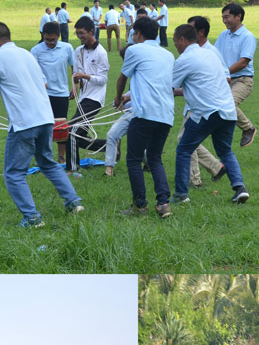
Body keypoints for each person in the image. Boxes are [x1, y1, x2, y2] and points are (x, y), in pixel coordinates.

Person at [0, 21, 83, 227]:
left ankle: (32, 218)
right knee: (47, 162)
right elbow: (44, 83)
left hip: (24, 122)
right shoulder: (27, 54)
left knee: (14, 173)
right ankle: (73, 202)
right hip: (45, 118)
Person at [171, 23, 249, 205]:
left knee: (184, 149)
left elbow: (168, 86)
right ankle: (240, 188)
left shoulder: (184, 60)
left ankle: (181, 195)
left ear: (182, 40)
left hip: (206, 113)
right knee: (225, 151)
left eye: (175, 41)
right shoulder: (211, 54)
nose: (175, 45)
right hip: (228, 111)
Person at [114, 16, 175, 219]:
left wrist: (118, 98)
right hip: (165, 114)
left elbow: (123, 78)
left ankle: (140, 205)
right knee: (155, 158)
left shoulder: (134, 50)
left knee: (133, 159)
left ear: (138, 33)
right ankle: (164, 203)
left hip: (144, 113)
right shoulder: (168, 55)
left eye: (133, 33)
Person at [183, 15, 229, 188]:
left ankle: (194, 180)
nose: (186, 33)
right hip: (193, 104)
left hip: (204, 106)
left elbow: (226, 77)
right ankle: (216, 168)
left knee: (185, 140)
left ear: (201, 32)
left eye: (191, 29)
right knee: (187, 140)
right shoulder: (191, 52)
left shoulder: (211, 52)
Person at [66, 16, 110, 174]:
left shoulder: (101, 52)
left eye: (82, 33)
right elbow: (77, 73)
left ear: (91, 31)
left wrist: (85, 76)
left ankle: (72, 169)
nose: (79, 36)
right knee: (79, 136)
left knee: (71, 131)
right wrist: (75, 85)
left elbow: (103, 80)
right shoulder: (78, 51)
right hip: (84, 98)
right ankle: (109, 145)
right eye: (77, 33)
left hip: (95, 99)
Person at [31, 22, 75, 163]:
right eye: (47, 39)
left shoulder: (67, 48)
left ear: (59, 36)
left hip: (62, 94)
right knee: (44, 126)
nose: (50, 42)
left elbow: (75, 67)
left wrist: (75, 86)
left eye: (53, 40)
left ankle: (61, 157)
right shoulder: (36, 50)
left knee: (61, 127)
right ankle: (45, 156)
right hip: (43, 95)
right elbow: (32, 71)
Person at [215, 2, 258, 146]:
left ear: (238, 16)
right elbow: (214, 55)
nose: (224, 20)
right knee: (216, 106)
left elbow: (243, 62)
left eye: (227, 17)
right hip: (224, 80)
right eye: (223, 17)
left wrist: (224, 72)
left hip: (242, 80)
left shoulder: (247, 36)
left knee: (228, 104)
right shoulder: (223, 35)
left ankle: (248, 128)